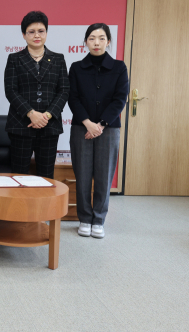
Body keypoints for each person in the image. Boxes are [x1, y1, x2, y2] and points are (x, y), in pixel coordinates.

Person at [68, 23, 129, 239]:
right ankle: (84, 218)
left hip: (109, 129)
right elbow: (72, 98)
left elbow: (120, 99)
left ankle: (99, 220)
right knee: (82, 174)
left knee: (104, 176)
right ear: (85, 41)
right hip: (81, 128)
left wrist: (100, 124)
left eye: (101, 38)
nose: (96, 42)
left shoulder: (119, 68)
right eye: (92, 38)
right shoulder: (76, 67)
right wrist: (88, 123)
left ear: (108, 41)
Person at [4, 11, 69, 178]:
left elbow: (63, 91)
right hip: (21, 125)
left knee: (46, 176)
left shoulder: (58, 59)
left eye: (41, 31)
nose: (36, 35)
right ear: (24, 35)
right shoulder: (14, 59)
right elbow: (11, 90)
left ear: (46, 32)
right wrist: (31, 114)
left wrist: (46, 116)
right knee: (19, 176)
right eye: (31, 32)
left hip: (49, 127)